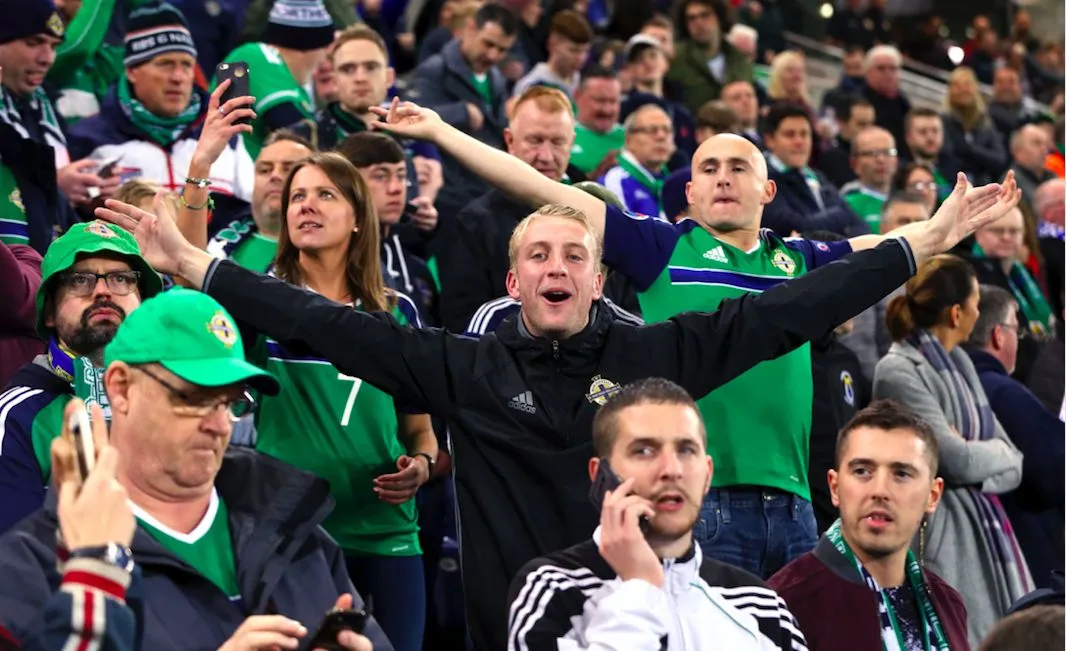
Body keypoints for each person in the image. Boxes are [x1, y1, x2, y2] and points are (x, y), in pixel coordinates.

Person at [93, 94, 1016, 651]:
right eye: (538, 256)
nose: (557, 268)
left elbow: (785, 311)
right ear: (513, 278)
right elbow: (320, 319)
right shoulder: (464, 366)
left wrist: (920, 243)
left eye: (574, 253)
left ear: (595, 270)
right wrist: (195, 265)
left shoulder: (654, 356)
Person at [0, 288, 389, 651]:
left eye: (230, 402)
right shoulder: (34, 566)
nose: (220, 424)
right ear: (121, 388)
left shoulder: (293, 524)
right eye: (194, 398)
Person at [241, 151, 434, 651]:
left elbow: (419, 428)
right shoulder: (264, 303)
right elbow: (188, 291)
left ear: (356, 218)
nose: (307, 206)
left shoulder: (398, 312)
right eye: (297, 197)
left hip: (387, 533)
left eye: (326, 194)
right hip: (294, 533)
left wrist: (422, 466)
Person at [507, 378, 807, 651]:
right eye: (644, 451)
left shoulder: (762, 606)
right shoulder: (552, 589)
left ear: (707, 475)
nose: (671, 470)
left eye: (686, 450)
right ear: (600, 475)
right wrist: (640, 588)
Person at [874, 255, 1030, 645]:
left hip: (983, 524)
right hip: (942, 535)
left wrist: (977, 450)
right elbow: (953, 459)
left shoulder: (962, 362)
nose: (980, 310)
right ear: (958, 312)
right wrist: (983, 452)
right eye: (976, 301)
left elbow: (1016, 462)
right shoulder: (897, 370)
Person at [768, 400, 971, 650]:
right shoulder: (783, 604)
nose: (880, 490)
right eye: (863, 471)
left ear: (933, 495)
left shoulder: (949, 604)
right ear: (835, 487)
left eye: (901, 474)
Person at [0, 222, 162, 533]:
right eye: (80, 280)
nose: (102, 291)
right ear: (49, 312)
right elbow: (16, 562)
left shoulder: (179, 399)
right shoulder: (17, 416)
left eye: (121, 278)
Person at [66, 3, 254, 206]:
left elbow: (251, 214)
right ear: (131, 71)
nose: (178, 77)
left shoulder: (225, 135)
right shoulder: (88, 138)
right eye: (165, 64)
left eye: (186, 65)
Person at [966, 285, 1065, 590]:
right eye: (1014, 328)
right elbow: (1056, 469)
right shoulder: (1005, 392)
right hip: (1024, 550)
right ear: (998, 335)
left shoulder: (949, 387)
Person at [0, 0, 94, 254]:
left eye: (53, 46)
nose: (46, 58)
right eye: (33, 43)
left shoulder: (44, 107)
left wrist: (89, 197)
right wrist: (53, 187)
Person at [409, 2, 517, 216]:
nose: (493, 55)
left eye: (502, 50)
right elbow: (413, 119)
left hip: (487, 193)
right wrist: (462, 113)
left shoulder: (496, 79)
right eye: (488, 44)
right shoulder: (434, 71)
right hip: (449, 199)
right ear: (470, 29)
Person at [217, 0, 335, 160]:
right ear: (312, 46)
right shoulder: (254, 56)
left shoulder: (297, 89)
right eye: (327, 52)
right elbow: (294, 129)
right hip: (230, 177)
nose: (325, 62)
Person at [667, 0, 752, 116]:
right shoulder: (675, 58)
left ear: (719, 17)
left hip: (733, 130)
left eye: (705, 15)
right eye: (691, 18)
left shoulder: (739, 59)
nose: (699, 22)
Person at [599, 104, 675, 218]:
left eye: (667, 130)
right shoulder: (616, 180)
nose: (661, 136)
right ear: (629, 139)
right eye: (651, 130)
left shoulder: (671, 181)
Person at [512, 9, 591, 98]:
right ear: (552, 44)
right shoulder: (532, 87)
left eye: (585, 51)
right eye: (573, 50)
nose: (581, 58)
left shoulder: (577, 79)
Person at [840, 126, 899, 234]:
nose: (881, 159)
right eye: (871, 153)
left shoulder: (907, 197)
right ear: (854, 163)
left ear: (896, 161)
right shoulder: (846, 205)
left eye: (887, 152)